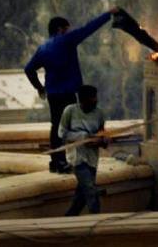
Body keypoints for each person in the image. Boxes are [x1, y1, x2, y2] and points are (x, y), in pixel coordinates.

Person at [24, 9, 116, 173]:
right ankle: (75, 160)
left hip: (52, 94)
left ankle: (57, 162)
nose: (69, 31)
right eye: (67, 29)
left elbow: (29, 69)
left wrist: (39, 88)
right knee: (73, 127)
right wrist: (109, 14)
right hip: (68, 93)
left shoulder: (43, 48)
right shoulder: (66, 40)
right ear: (61, 29)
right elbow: (89, 28)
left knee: (57, 126)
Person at [58, 84, 106, 216]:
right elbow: (62, 133)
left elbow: (102, 133)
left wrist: (101, 140)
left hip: (92, 158)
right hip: (77, 157)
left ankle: (68, 219)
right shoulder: (70, 111)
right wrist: (83, 136)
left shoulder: (99, 113)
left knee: (82, 195)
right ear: (82, 101)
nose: (95, 101)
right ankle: (97, 220)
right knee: (91, 190)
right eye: (92, 99)